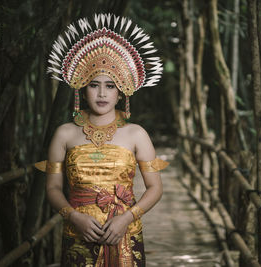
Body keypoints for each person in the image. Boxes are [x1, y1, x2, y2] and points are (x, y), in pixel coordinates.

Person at [35, 13, 167, 267]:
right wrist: (74, 217)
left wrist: (126, 219)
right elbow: (52, 188)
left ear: (121, 93)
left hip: (125, 232)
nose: (102, 93)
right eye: (94, 85)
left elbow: (155, 188)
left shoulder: (136, 133)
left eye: (111, 85)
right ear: (83, 90)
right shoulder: (64, 133)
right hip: (78, 233)